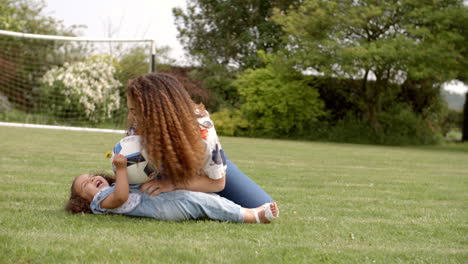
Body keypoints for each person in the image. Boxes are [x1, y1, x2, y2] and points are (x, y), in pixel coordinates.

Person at [126, 73, 273, 208]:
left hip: (204, 169)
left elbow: (218, 183)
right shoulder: (137, 124)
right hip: (164, 169)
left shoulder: (202, 131)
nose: (133, 118)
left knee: (262, 205)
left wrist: (172, 185)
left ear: (160, 111)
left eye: (136, 111)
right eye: (131, 110)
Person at [65, 154, 278, 224]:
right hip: (164, 207)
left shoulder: (108, 189)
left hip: (163, 198)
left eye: (93, 177)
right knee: (200, 202)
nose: (94, 180)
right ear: (85, 202)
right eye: (87, 184)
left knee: (207, 198)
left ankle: (237, 209)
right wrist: (121, 170)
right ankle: (251, 215)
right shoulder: (101, 201)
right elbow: (121, 196)